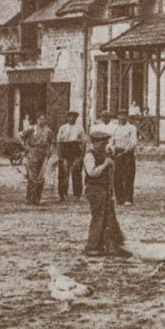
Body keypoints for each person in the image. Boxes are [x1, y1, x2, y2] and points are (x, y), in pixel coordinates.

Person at [83, 129, 131, 258]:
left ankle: (113, 246)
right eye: (100, 144)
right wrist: (105, 164)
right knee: (98, 217)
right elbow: (92, 173)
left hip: (105, 189)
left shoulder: (104, 155)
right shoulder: (90, 156)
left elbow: (110, 175)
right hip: (94, 189)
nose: (103, 146)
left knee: (109, 218)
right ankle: (92, 246)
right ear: (94, 143)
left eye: (104, 144)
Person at [21, 112, 54, 205]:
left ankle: (37, 199)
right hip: (33, 153)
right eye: (40, 119)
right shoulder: (31, 128)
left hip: (43, 154)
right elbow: (20, 136)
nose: (42, 121)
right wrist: (26, 147)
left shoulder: (49, 131)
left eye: (44, 119)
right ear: (37, 119)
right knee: (32, 176)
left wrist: (49, 152)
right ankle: (29, 199)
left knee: (41, 177)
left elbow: (52, 143)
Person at [56, 111, 86, 201]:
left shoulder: (80, 128)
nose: (72, 118)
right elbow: (58, 142)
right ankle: (62, 195)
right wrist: (59, 155)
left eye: (74, 117)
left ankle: (77, 195)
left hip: (75, 149)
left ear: (76, 118)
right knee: (63, 173)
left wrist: (81, 155)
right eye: (70, 117)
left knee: (76, 173)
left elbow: (84, 142)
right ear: (67, 118)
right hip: (65, 149)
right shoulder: (63, 128)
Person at [109, 109, 137, 206]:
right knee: (117, 175)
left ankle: (128, 198)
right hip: (117, 152)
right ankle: (119, 198)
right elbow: (111, 141)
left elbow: (133, 141)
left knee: (128, 175)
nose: (121, 118)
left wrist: (126, 150)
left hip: (127, 153)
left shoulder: (132, 128)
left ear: (127, 116)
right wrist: (111, 149)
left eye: (123, 115)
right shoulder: (115, 128)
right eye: (119, 115)